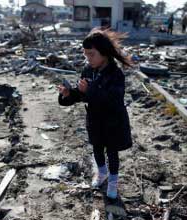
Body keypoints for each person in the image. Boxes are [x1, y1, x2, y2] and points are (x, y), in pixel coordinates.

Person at [57, 29, 132, 200]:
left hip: (113, 121)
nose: (88, 59)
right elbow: (81, 94)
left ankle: (113, 180)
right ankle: (102, 173)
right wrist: (68, 94)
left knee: (112, 152)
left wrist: (90, 91)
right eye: (86, 55)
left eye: (91, 54)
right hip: (95, 120)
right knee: (97, 148)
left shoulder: (115, 73)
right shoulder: (88, 69)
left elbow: (114, 98)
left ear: (104, 53)